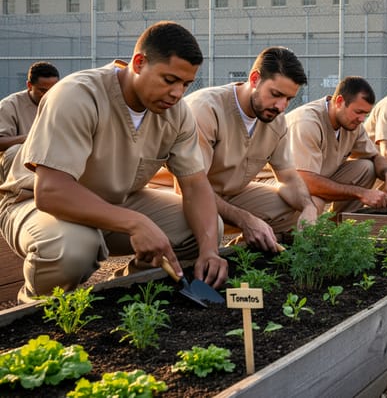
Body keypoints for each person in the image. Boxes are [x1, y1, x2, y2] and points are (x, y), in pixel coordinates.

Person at [0, 21, 228, 302]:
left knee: (207, 228)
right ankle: (36, 309)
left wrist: (209, 251)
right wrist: (135, 223)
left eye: (186, 84)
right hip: (34, 202)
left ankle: (124, 291)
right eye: (169, 80)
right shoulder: (78, 95)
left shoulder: (176, 113)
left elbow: (194, 184)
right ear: (139, 62)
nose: (178, 93)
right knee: (73, 247)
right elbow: (49, 192)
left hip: (117, 203)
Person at [184, 46, 317, 253]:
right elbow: (191, 188)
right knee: (200, 226)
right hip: (185, 194)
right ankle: (141, 279)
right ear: (255, 79)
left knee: (293, 212)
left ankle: (242, 256)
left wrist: (309, 207)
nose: (281, 106)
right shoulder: (206, 109)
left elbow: (288, 178)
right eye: (276, 94)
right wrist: (245, 219)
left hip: (231, 195)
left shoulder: (276, 120)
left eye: (289, 99)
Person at [286, 76, 387, 214]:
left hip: (318, 177)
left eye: (365, 114)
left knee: (367, 167)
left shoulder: (352, 124)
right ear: (339, 101)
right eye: (358, 112)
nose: (362, 119)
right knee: (314, 203)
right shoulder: (306, 123)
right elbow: (304, 180)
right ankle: (290, 235)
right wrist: (362, 193)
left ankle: (341, 225)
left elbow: (375, 156)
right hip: (281, 182)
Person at [0, 61, 60, 180]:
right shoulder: (10, 105)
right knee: (14, 152)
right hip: (22, 159)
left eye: (52, 90)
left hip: (53, 157)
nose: (47, 95)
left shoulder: (62, 103)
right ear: (29, 85)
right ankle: (15, 194)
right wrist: (30, 138)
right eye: (42, 90)